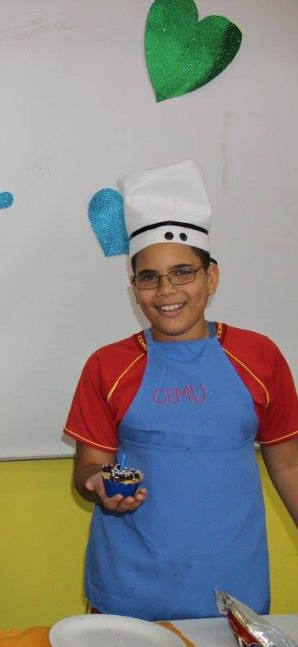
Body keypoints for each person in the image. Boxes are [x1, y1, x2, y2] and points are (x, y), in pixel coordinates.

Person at [65, 160, 298, 620]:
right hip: (127, 593)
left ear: (212, 277)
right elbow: (89, 467)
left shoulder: (259, 357)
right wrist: (97, 485)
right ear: (134, 288)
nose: (166, 290)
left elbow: (289, 464)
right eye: (149, 277)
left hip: (236, 592)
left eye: (183, 272)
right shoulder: (108, 365)